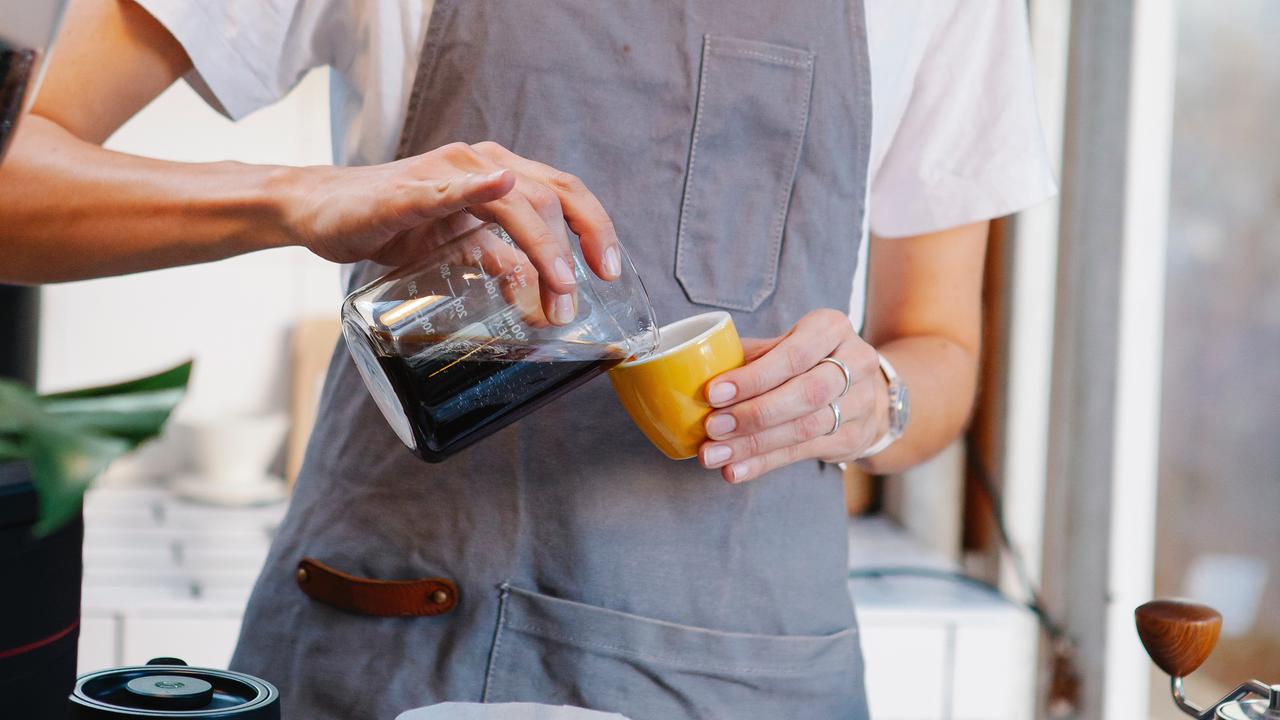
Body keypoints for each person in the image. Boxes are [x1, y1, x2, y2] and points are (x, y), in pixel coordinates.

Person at [0, 0, 1056, 717]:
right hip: (393, 645)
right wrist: (292, 197)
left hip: (745, 673)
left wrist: (874, 397)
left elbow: (940, 350)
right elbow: (16, 189)